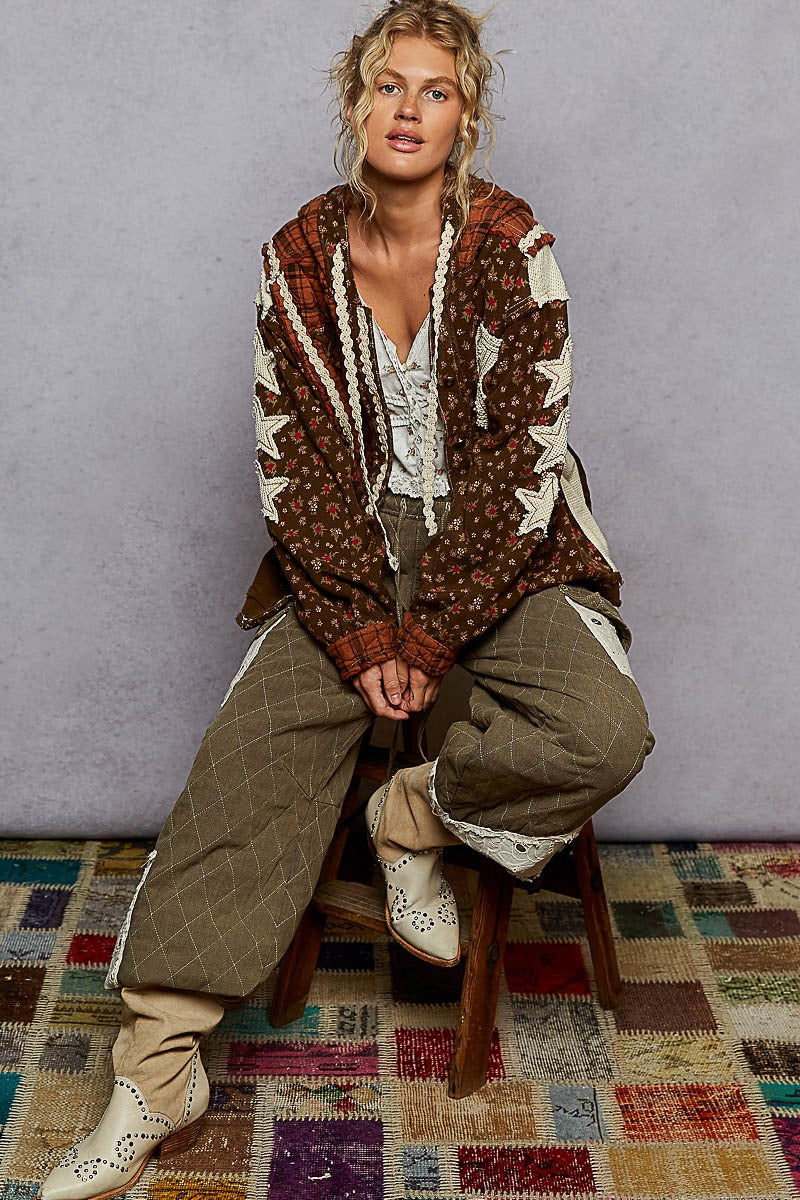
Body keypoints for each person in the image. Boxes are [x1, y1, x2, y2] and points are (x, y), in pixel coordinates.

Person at [41, 1, 656, 1195]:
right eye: (387, 87)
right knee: (250, 753)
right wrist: (363, 626)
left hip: (510, 547)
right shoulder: (293, 256)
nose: (407, 109)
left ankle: (413, 817)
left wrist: (427, 639)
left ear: (464, 113)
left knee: (601, 727)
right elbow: (296, 467)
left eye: (432, 90)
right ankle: (156, 1070)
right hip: (347, 556)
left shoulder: (511, 246)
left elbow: (523, 462)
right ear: (353, 104)